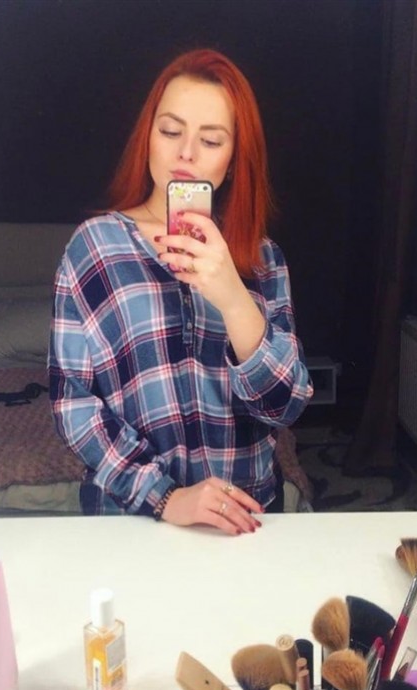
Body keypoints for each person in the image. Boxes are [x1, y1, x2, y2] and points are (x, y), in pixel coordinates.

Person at [48, 48, 313, 535]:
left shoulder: (262, 258)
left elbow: (285, 405)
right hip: (134, 524)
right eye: (171, 131)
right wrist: (165, 496)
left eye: (210, 140)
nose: (186, 153)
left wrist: (231, 295)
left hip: (246, 519)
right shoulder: (96, 249)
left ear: (233, 160)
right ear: (147, 139)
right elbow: (74, 404)